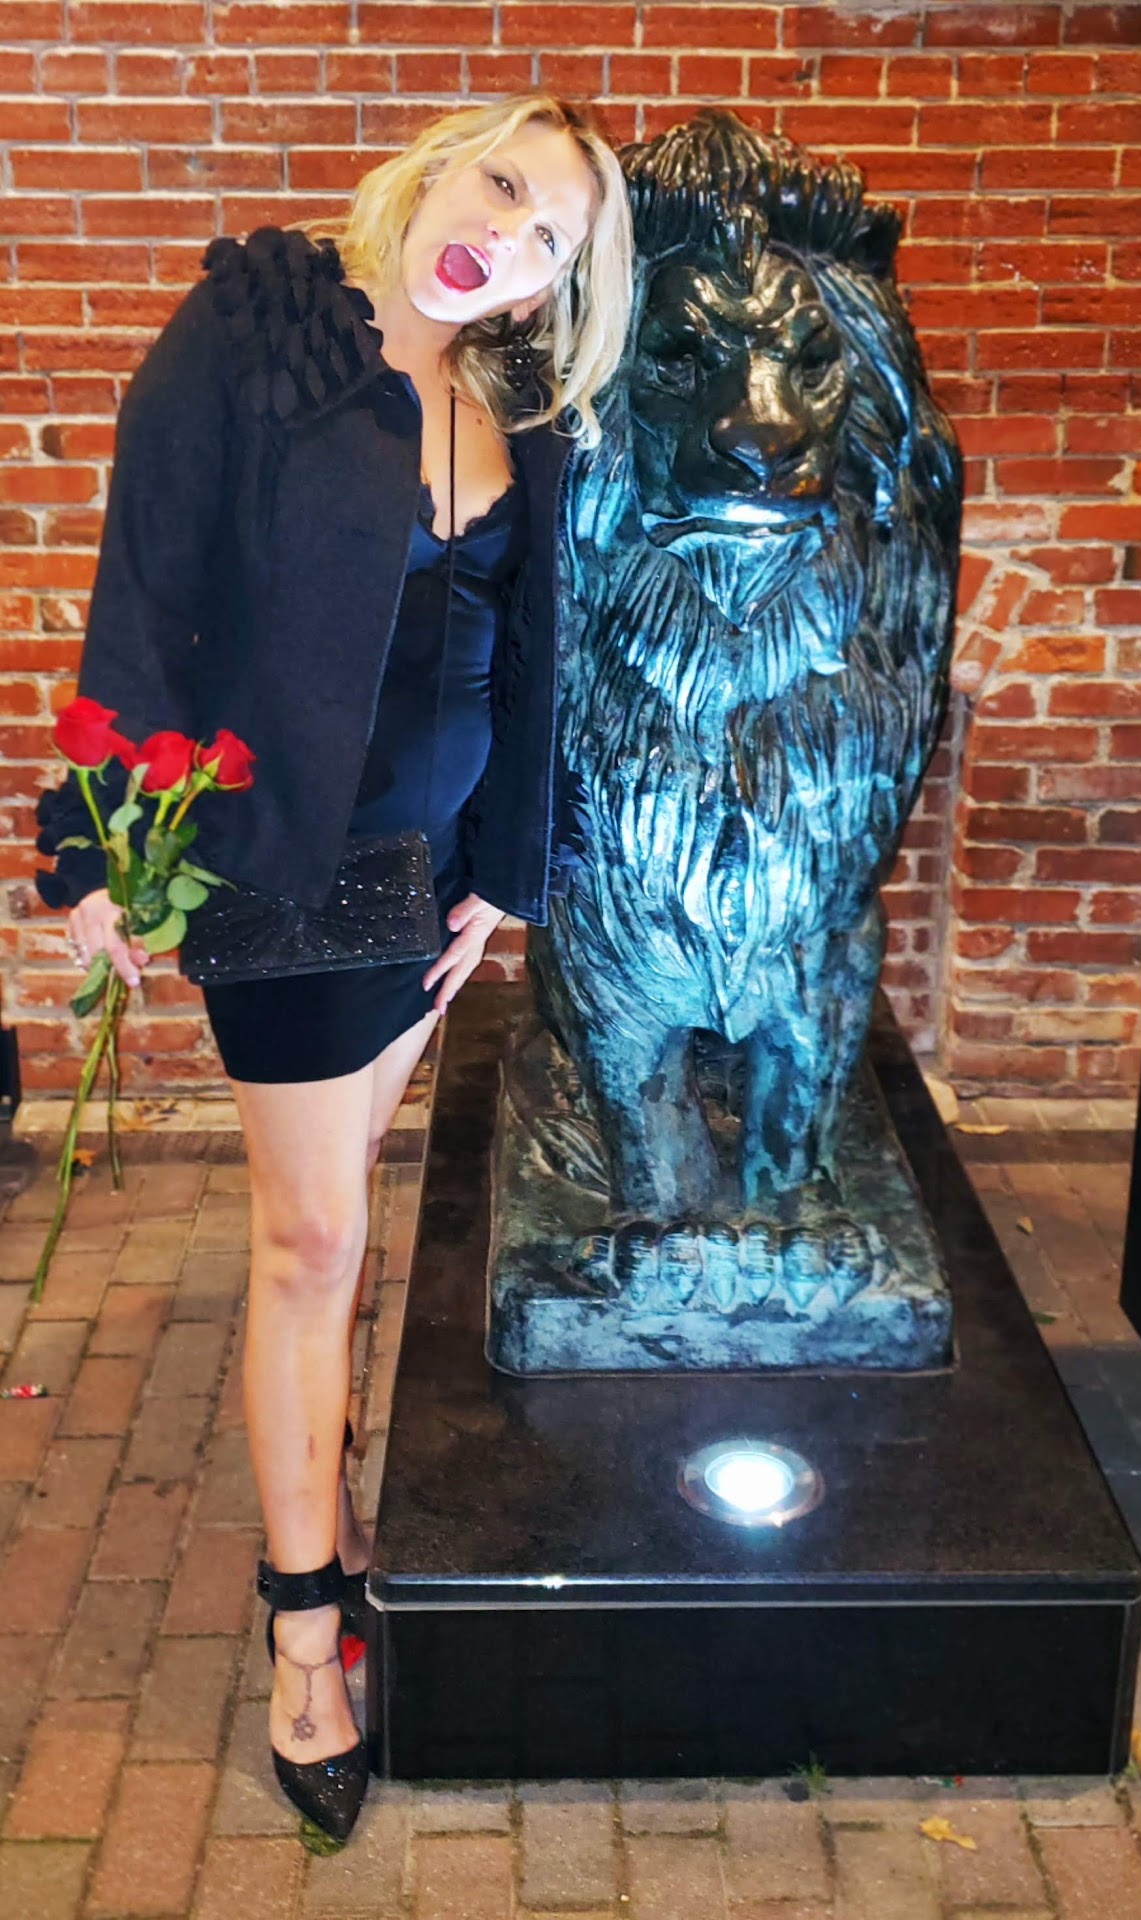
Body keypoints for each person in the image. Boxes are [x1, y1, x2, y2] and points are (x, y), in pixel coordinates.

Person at [35, 94, 634, 1844]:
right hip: (283, 866)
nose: (502, 237)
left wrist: (500, 879)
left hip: (422, 885)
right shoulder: (260, 328)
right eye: (502, 186)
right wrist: (92, 847)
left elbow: (526, 648)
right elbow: (143, 582)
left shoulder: (515, 401)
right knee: (308, 1247)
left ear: (553, 288)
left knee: (342, 1221)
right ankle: (307, 1636)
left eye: (546, 240)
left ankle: (333, 1506)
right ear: (442, 161)